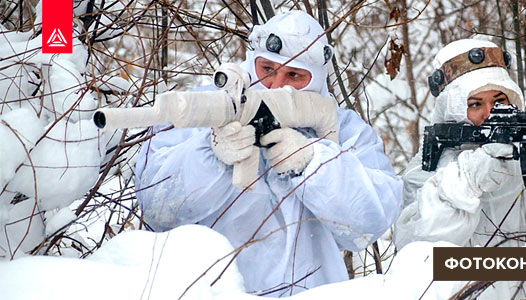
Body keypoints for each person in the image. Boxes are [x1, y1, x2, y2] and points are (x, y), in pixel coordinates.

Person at [135, 11, 402, 297]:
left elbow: (371, 222)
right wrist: (210, 153)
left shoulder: (345, 129)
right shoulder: (204, 109)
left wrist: (313, 163)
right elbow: (156, 208)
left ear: (316, 79)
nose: (276, 85)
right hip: (213, 292)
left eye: (294, 75)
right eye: (267, 69)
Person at [393, 38, 526, 298]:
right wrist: (465, 180)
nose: (490, 113)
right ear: (453, 109)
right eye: (475, 104)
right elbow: (420, 253)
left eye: (499, 101)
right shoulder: (426, 169)